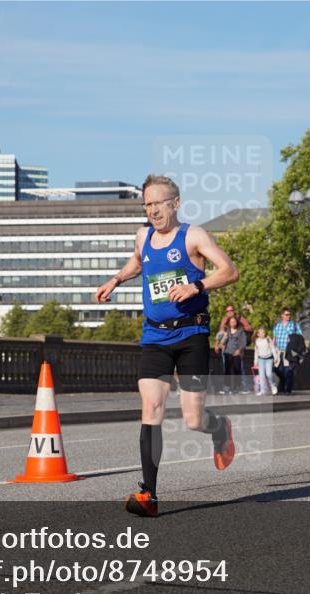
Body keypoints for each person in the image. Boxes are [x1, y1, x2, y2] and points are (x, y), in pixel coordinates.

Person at [95, 174, 239, 518]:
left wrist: (196, 287)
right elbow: (139, 261)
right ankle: (150, 493)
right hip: (155, 337)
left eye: (159, 203)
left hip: (191, 336)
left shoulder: (194, 235)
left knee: (192, 419)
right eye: (147, 204)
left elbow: (229, 270)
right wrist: (116, 279)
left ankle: (218, 427)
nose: (153, 210)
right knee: (152, 409)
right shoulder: (143, 235)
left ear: (175, 203)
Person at [219, 303, 254, 393]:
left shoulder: (240, 319)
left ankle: (243, 388)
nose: (230, 312)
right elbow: (220, 333)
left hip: (237, 349)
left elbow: (249, 328)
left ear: (234, 311)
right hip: (226, 350)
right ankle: (227, 388)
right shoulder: (224, 320)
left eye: (231, 310)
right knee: (227, 369)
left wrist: (240, 328)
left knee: (239, 369)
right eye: (228, 311)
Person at [272, 308, 303, 394]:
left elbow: (300, 337)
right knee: (278, 370)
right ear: (282, 315)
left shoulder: (294, 325)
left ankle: (287, 389)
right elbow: (274, 338)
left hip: (289, 352)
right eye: (286, 314)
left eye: (289, 314)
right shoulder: (277, 326)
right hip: (279, 351)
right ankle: (282, 386)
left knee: (288, 371)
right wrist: (272, 349)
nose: (288, 316)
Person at [215, 316, 247, 394]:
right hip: (227, 353)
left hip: (236, 353)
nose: (233, 323)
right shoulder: (227, 331)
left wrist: (239, 350)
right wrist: (221, 341)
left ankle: (236, 388)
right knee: (227, 371)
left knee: (237, 371)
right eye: (231, 322)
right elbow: (220, 340)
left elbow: (244, 342)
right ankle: (226, 388)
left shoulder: (241, 331)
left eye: (234, 322)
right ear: (229, 323)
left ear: (237, 322)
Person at [252, 327, 278, 395]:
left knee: (268, 374)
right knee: (261, 375)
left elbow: (273, 348)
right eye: (260, 333)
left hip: (269, 359)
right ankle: (263, 390)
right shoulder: (257, 341)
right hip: (261, 359)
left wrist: (275, 358)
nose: (262, 334)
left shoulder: (268, 339)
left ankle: (272, 386)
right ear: (257, 334)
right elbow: (256, 352)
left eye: (263, 332)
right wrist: (255, 362)